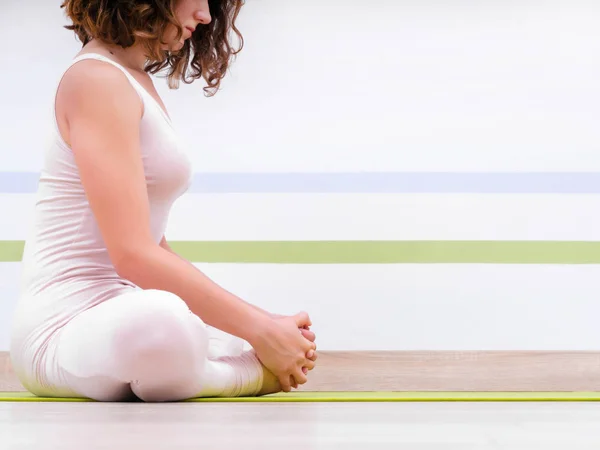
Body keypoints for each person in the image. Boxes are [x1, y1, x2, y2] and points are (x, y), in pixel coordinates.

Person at [9, 0, 317, 402]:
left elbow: (151, 242)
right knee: (166, 322)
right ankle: (248, 378)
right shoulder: (96, 80)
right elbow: (134, 254)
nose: (206, 16)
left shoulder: (130, 80)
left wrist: (267, 325)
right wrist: (259, 330)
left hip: (120, 313)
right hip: (61, 327)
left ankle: (207, 364)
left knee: (206, 326)